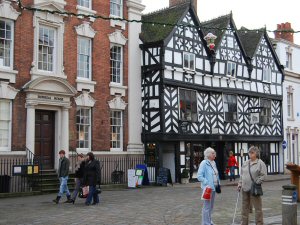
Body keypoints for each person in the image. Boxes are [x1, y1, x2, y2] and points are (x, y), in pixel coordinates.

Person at [237, 146, 267, 225]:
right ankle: (244, 223)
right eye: (249, 152)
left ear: (256, 154)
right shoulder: (245, 163)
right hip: (245, 188)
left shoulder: (260, 163)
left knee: (257, 208)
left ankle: (259, 223)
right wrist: (240, 183)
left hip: (254, 189)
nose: (250, 154)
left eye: (252, 152)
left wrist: (257, 182)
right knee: (245, 208)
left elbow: (263, 175)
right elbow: (242, 175)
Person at [197, 147, 220, 225]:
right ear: (208, 155)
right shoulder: (204, 163)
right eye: (213, 153)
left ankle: (209, 221)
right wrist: (207, 183)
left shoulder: (214, 163)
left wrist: (218, 182)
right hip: (207, 188)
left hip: (213, 188)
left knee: (211, 206)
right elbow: (199, 176)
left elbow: (216, 174)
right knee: (206, 207)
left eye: (214, 153)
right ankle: (205, 223)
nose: (215, 154)